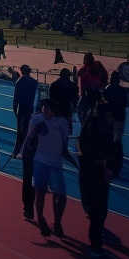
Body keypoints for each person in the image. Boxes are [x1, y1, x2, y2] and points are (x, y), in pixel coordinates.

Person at [76, 99, 122, 259]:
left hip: (101, 175)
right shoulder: (93, 130)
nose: (112, 117)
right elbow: (83, 150)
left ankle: (98, 238)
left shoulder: (105, 129)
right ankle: (95, 245)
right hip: (93, 175)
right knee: (97, 210)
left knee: (101, 210)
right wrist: (100, 161)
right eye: (109, 114)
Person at [27, 101, 74, 238]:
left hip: (56, 164)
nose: (44, 112)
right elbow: (30, 140)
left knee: (61, 196)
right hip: (40, 161)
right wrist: (26, 157)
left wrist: (75, 163)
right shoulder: (36, 119)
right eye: (43, 109)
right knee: (40, 193)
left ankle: (57, 222)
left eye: (47, 110)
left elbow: (64, 148)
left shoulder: (62, 123)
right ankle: (41, 219)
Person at [10, 65, 38, 159]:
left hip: (21, 108)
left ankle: (16, 151)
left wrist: (15, 110)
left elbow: (16, 98)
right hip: (29, 108)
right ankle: (24, 150)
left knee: (20, 132)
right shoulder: (34, 82)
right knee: (27, 130)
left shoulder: (20, 82)